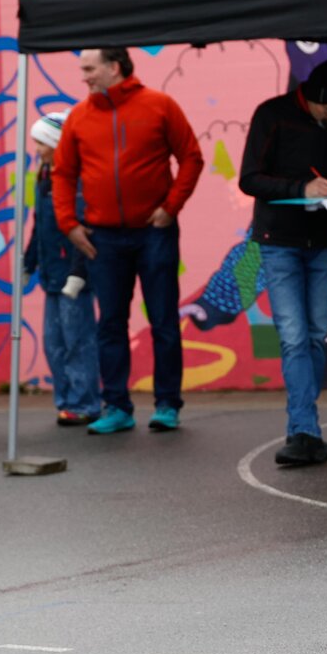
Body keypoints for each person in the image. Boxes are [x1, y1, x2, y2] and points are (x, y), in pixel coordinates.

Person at [52, 47, 204, 434]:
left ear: (114, 67)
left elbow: (191, 157)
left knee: (164, 320)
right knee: (110, 324)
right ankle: (117, 406)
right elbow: (62, 173)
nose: (84, 76)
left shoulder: (160, 105)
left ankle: (167, 404)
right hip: (102, 237)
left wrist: (170, 208)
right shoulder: (78, 117)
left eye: (90, 68)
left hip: (155, 232)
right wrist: (69, 224)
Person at [238, 60, 327, 468]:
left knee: (317, 334)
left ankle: (306, 429)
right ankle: (302, 429)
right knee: (293, 335)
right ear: (309, 98)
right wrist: (301, 188)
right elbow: (249, 178)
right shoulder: (272, 115)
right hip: (278, 241)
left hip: (322, 240)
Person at [22, 113, 100, 426]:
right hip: (51, 274)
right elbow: (38, 225)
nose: (37, 149)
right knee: (54, 342)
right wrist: (28, 263)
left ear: (57, 143)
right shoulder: (44, 176)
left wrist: (79, 272)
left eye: (42, 142)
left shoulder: (77, 179)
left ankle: (85, 402)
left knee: (77, 339)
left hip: (72, 276)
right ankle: (66, 399)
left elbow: (83, 229)